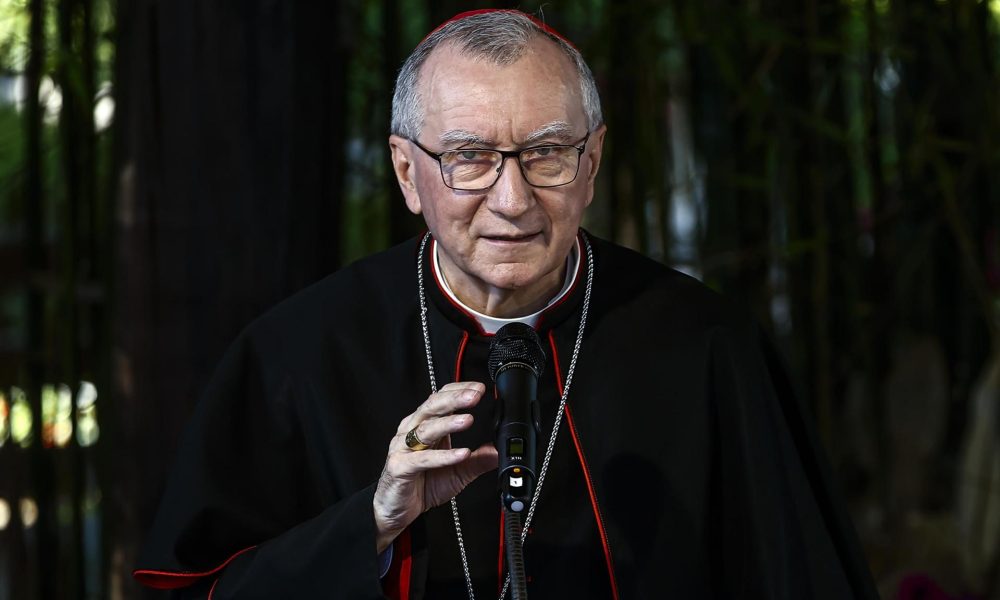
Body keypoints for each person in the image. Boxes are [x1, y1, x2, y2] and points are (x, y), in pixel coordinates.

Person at [134, 9, 879, 599]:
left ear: (591, 163)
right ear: (407, 173)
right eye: (470, 158)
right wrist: (373, 523)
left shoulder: (707, 346)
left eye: (546, 154)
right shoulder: (299, 354)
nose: (513, 199)